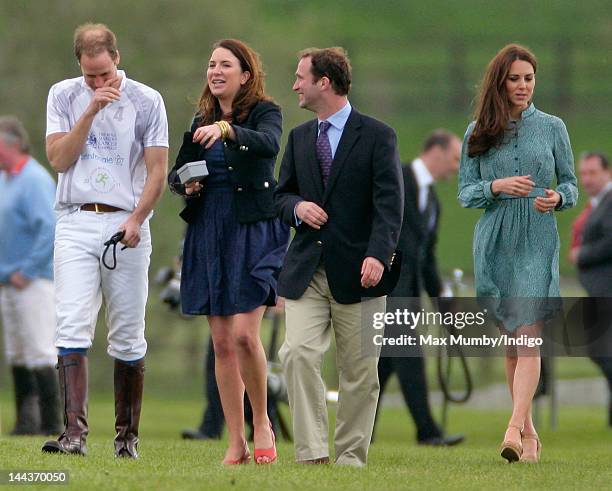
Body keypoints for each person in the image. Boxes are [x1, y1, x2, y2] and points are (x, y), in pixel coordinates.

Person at [41, 23, 168, 458]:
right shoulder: (63, 95)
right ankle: (73, 434)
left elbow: (156, 170)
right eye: (90, 75)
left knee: (129, 334)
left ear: (117, 57)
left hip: (125, 223)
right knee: (72, 323)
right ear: (79, 64)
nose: (98, 82)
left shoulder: (147, 100)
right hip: (77, 218)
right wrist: (90, 110)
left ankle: (126, 439)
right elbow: (58, 158)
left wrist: (137, 218)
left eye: (104, 74)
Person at [275, 47, 404, 467]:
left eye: (300, 77)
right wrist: (297, 208)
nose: (294, 85)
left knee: (360, 374)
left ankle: (350, 456)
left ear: (323, 82)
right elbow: (280, 198)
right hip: (306, 272)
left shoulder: (379, 136)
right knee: (296, 353)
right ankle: (311, 453)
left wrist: (378, 255)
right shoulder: (297, 139)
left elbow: (390, 204)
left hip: (363, 275)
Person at [168, 39, 289, 465]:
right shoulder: (200, 118)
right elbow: (175, 174)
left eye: (225, 64)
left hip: (253, 230)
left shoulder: (264, 113)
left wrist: (227, 130)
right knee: (220, 343)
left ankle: (263, 423)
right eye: (211, 64)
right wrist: (187, 184)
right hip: (208, 232)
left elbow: (270, 144)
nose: (215, 71)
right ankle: (235, 440)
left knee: (243, 335)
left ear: (245, 74)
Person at [458, 44, 577, 463]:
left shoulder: (553, 127)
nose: (523, 86)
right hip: (495, 240)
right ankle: (528, 433)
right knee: (513, 342)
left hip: (538, 238)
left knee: (529, 337)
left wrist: (558, 199)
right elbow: (465, 193)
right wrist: (496, 186)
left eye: (529, 78)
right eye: (515, 79)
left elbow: (571, 185)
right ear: (500, 82)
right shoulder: (477, 131)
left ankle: (510, 427)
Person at [375, 129, 464, 446]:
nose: (457, 167)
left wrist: (443, 302)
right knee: (408, 353)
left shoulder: (433, 204)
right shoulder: (395, 178)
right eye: (455, 158)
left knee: (382, 365)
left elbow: (426, 259)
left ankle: (360, 432)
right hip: (381, 288)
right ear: (435, 151)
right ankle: (428, 432)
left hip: (407, 294)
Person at [0, 116, 61, 436]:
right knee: (17, 351)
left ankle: (51, 422)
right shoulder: (5, 179)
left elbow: (48, 229)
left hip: (33, 281)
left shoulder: (35, 179)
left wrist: (29, 270)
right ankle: (26, 422)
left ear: (11, 145)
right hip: (7, 280)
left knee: (40, 348)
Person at [571, 151, 612, 426]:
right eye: (583, 173)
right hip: (598, 289)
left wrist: (581, 255)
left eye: (592, 173)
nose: (586, 179)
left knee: (599, 348)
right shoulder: (598, 203)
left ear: (607, 172)